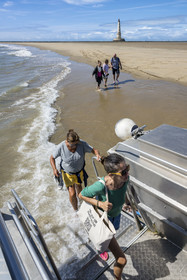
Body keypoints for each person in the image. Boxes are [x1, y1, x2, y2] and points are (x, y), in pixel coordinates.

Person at [79, 153, 129, 280]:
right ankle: (101, 249)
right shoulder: (101, 185)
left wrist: (127, 203)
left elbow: (124, 191)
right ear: (111, 175)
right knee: (122, 260)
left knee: (112, 234)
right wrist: (99, 203)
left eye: (127, 169)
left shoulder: (125, 179)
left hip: (116, 215)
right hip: (104, 220)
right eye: (123, 172)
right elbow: (82, 195)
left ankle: (104, 246)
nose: (127, 174)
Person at [50, 129, 101, 211]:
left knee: (79, 188)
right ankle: (75, 210)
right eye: (73, 145)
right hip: (67, 173)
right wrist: (54, 169)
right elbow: (52, 158)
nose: (75, 146)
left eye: (76, 144)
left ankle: (81, 205)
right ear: (67, 141)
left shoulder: (81, 144)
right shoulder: (61, 146)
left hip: (79, 172)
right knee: (72, 193)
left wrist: (97, 155)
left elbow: (94, 150)